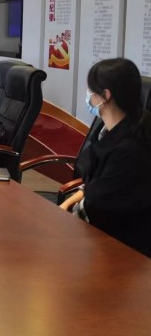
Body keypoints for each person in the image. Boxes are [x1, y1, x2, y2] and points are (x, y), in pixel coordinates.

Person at [59, 58, 151, 257]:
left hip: (123, 249)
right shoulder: (110, 130)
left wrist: (60, 223)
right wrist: (67, 204)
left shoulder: (130, 149)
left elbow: (98, 204)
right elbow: (97, 185)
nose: (88, 96)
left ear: (105, 96)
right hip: (102, 234)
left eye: (91, 91)